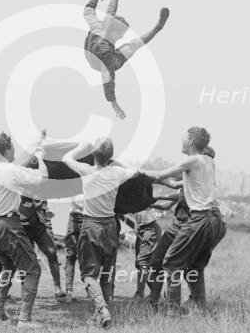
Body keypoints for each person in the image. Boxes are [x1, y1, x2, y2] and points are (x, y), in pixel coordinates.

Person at [62, 138, 173, 328]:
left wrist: (84, 146)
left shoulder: (86, 171)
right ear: (111, 156)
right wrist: (173, 182)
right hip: (111, 227)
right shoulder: (118, 172)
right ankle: (105, 315)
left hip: (91, 226)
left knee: (89, 275)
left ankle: (102, 309)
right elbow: (146, 175)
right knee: (106, 273)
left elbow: (66, 158)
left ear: (93, 155)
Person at [141, 128, 226, 313]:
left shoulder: (191, 160)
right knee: (195, 265)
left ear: (190, 142)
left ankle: (173, 312)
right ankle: (201, 306)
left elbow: (159, 175)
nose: (180, 138)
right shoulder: (209, 161)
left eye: (183, 136)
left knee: (171, 263)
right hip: (217, 221)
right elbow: (175, 182)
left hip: (200, 219)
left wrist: (135, 172)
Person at [0, 132, 49, 329]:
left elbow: (17, 163)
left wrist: (35, 142)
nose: (15, 150)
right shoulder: (11, 170)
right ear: (7, 151)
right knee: (33, 269)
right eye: (13, 147)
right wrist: (41, 157)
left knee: (7, 266)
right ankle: (24, 320)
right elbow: (42, 178)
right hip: (7, 225)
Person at [83, 0, 169, 119]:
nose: (123, 36)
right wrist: (114, 104)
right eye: (122, 34)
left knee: (111, 15)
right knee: (132, 46)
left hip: (94, 49)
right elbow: (107, 78)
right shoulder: (107, 54)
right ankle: (157, 28)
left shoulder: (99, 25)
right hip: (98, 60)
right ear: (116, 34)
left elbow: (88, 11)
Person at [19, 197, 66, 299]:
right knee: (25, 258)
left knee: (52, 252)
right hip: (23, 223)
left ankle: (57, 287)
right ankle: (25, 288)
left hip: (39, 224)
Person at [131, 207, 162, 299]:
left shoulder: (144, 193)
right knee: (141, 264)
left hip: (150, 229)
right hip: (142, 229)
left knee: (142, 263)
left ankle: (139, 294)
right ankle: (156, 293)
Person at [63, 194, 84, 302]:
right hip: (75, 218)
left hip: (87, 219)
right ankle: (69, 291)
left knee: (89, 257)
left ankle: (93, 290)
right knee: (70, 256)